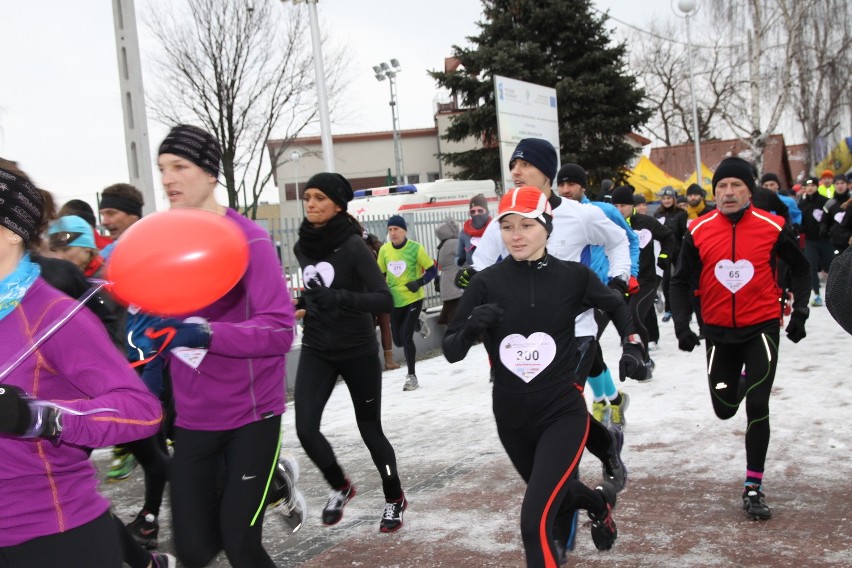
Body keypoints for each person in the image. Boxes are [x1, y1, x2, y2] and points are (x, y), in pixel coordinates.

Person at [443, 186, 647, 567]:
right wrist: (471, 328)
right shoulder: (487, 283)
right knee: (561, 494)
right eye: (507, 227)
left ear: (546, 227)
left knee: (534, 520)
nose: (516, 235)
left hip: (561, 412)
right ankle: (600, 503)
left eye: (526, 225)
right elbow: (452, 349)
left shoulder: (573, 277)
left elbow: (616, 305)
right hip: (511, 416)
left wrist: (633, 344)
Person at [0, 163, 165, 567]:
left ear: (7, 231)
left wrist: (45, 418)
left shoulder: (54, 316)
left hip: (48, 537)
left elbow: (142, 411)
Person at [146, 124, 297, 567]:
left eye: (180, 166)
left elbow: (279, 332)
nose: (168, 178)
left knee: (240, 543)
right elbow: (157, 321)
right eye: (162, 168)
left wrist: (208, 334)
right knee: (193, 551)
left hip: (251, 416)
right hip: (193, 418)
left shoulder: (248, 239)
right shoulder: (164, 242)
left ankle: (270, 477)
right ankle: (274, 482)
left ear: (210, 174)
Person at [670, 156, 810, 521]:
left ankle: (753, 485)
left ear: (750, 191)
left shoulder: (772, 226)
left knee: (758, 405)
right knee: (724, 407)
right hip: (717, 332)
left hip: (761, 327)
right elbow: (681, 281)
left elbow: (801, 268)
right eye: (721, 187)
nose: (727, 193)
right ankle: (743, 381)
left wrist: (801, 313)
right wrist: (682, 326)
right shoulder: (698, 230)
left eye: (736, 186)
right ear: (714, 193)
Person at [292, 172, 407, 533]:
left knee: (369, 429)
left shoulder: (354, 245)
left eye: (319, 198)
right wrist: (304, 302)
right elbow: (317, 287)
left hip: (356, 349)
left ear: (338, 204)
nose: (311, 204)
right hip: (316, 347)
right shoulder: (302, 245)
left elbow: (383, 299)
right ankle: (340, 486)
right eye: (307, 197)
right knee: (305, 429)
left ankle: (394, 498)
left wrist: (338, 298)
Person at [555, 163, 640, 433]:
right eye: (562, 184)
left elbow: (629, 240)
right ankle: (613, 399)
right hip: (575, 296)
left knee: (589, 348)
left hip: (605, 292)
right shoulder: (555, 215)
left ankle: (605, 401)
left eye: (572, 184)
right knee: (592, 352)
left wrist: (629, 274)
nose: (566, 190)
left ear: (583, 186)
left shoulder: (600, 211)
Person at [610, 185, 675, 376]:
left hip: (647, 279)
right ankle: (642, 355)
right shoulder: (609, 224)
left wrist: (664, 258)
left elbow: (668, 237)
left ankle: (645, 360)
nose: (619, 209)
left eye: (623, 205)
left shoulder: (646, 222)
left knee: (635, 315)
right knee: (625, 320)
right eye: (616, 205)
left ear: (632, 206)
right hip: (622, 279)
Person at [377, 215, 437, 391]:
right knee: (398, 341)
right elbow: (380, 274)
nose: (393, 233)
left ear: (404, 231)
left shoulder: (416, 249)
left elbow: (432, 271)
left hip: (413, 298)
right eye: (390, 230)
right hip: (395, 301)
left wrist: (419, 283)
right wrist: (382, 291)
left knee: (405, 336)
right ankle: (419, 322)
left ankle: (412, 377)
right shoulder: (384, 250)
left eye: (396, 229)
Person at [654, 186, 688, 323]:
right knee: (667, 280)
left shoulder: (680, 213)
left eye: (669, 198)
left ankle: (686, 309)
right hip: (665, 251)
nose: (666, 201)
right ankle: (669, 309)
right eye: (664, 198)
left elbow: (684, 233)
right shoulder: (658, 214)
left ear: (673, 199)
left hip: (678, 249)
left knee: (681, 279)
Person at [796, 177, 832, 306]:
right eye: (807, 186)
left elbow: (833, 218)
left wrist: (826, 227)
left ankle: (836, 294)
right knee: (811, 268)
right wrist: (800, 228)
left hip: (826, 240)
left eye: (812, 185)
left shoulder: (825, 201)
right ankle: (817, 295)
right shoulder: (802, 204)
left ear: (817, 186)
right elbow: (798, 220)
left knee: (831, 267)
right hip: (810, 241)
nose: (810, 188)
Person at [98, 183, 145, 261]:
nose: (104, 222)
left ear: (134, 216)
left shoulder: (155, 248)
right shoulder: (104, 257)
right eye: (103, 215)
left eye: (111, 213)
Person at [435, 216, 462, 325]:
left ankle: (451, 338)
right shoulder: (454, 243)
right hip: (455, 285)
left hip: (447, 284)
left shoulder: (443, 245)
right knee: (456, 317)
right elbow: (468, 259)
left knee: (451, 313)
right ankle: (454, 339)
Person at [455, 193, 491, 274]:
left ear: (487, 211)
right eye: (473, 211)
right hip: (474, 278)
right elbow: (458, 258)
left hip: (493, 276)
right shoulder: (464, 233)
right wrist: (461, 262)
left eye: (480, 211)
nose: (476, 214)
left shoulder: (494, 229)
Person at [820, 174, 850, 257]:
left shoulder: (850, 201)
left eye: (842, 183)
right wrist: (823, 229)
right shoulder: (830, 203)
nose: (840, 186)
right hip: (837, 242)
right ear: (834, 185)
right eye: (837, 183)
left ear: (847, 184)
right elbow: (824, 220)